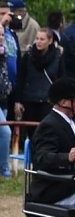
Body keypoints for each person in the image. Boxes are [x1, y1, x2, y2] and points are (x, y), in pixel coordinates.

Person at [30, 77, 75, 205]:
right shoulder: (49, 125)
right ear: (64, 102)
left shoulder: (70, 122)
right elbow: (42, 157)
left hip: (70, 184)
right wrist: (67, 157)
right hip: (53, 189)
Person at [14, 27, 64, 141]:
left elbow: (61, 79)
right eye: (37, 39)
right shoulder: (28, 56)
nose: (38, 42)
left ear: (50, 41)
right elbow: (21, 78)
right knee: (32, 134)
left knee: (46, 133)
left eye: (42, 39)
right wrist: (18, 101)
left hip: (48, 101)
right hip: (30, 99)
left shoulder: (58, 57)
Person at [0, 30, 12, 178]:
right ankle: (4, 167)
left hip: (3, 99)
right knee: (5, 132)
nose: (1, 37)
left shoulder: (5, 53)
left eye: (2, 35)